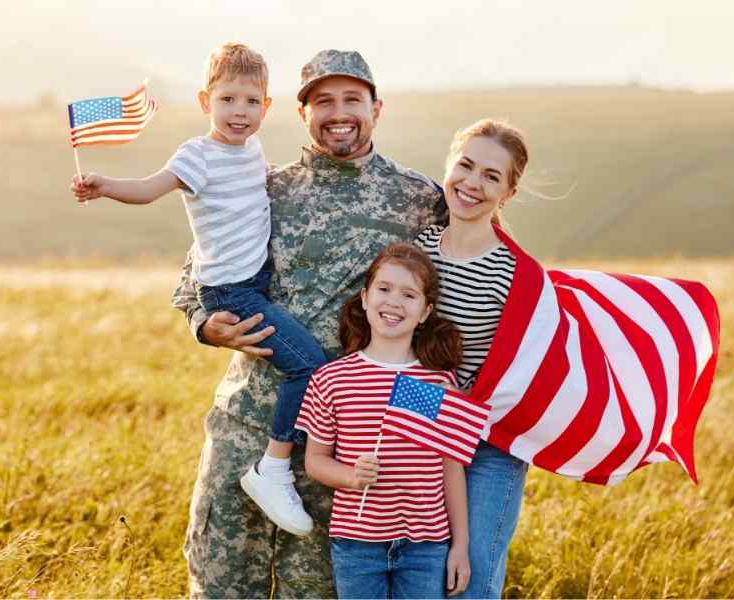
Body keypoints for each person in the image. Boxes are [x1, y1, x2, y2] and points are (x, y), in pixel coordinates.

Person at [171, 49, 446, 598]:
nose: (338, 112)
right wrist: (207, 325)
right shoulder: (262, 187)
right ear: (302, 114)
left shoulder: (418, 199)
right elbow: (192, 277)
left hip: (342, 446)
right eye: (323, 101)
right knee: (220, 585)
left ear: (376, 109)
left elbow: (447, 300)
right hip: (246, 427)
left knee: (314, 591)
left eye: (352, 100)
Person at [70, 42, 326, 537]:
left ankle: (277, 465)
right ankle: (272, 468)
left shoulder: (251, 151)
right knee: (309, 364)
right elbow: (149, 188)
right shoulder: (198, 155)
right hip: (230, 291)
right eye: (228, 99)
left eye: (252, 102)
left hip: (255, 280)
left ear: (267, 108)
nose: (239, 112)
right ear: (205, 100)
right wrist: (103, 184)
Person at [296, 243, 470, 599]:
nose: (394, 302)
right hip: (357, 544)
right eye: (384, 289)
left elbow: (451, 467)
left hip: (426, 544)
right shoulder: (333, 379)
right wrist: (350, 476)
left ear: (425, 312)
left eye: (409, 295)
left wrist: (461, 545)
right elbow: (314, 461)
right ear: (364, 297)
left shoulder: (436, 382)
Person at [415, 119, 530, 599]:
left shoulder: (517, 274)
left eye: (490, 176)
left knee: (472, 581)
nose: (471, 184)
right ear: (448, 165)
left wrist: (461, 400)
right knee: (419, 577)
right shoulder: (417, 253)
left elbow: (526, 371)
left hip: (488, 445)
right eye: (465, 166)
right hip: (418, 432)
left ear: (508, 192)